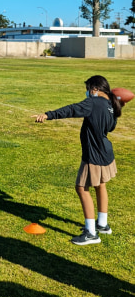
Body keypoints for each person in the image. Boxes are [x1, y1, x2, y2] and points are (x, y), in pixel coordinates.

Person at [32, 75, 122, 246]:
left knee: (81, 187)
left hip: (94, 154)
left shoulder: (93, 103)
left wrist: (47, 115)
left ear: (95, 89)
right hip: (105, 152)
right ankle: (102, 224)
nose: (87, 93)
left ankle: (91, 233)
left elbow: (72, 109)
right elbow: (111, 127)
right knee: (100, 184)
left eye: (88, 89)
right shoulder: (110, 104)